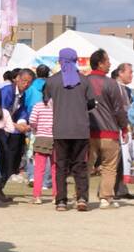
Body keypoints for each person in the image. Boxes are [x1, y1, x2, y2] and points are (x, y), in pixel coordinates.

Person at [43, 48, 95, 211]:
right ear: (76, 60)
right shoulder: (85, 81)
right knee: (80, 164)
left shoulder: (52, 81)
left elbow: (45, 101)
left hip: (60, 129)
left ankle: (61, 201)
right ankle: (81, 199)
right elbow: (92, 103)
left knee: (61, 165)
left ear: (60, 61)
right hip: (80, 129)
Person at [86, 49, 130, 208]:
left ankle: (81, 196)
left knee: (85, 165)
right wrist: (124, 128)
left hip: (88, 131)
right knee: (109, 166)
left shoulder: (83, 81)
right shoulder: (112, 84)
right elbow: (119, 109)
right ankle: (105, 198)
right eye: (107, 61)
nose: (110, 63)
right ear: (100, 63)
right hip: (109, 132)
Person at [28, 94, 56, 202]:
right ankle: (56, 195)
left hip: (41, 138)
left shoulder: (38, 106)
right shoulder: (58, 106)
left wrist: (36, 129)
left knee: (39, 169)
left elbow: (32, 121)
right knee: (55, 168)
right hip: (56, 138)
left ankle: (37, 196)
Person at [111, 63, 133, 198]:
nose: (131, 75)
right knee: (114, 160)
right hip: (114, 126)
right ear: (120, 73)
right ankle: (109, 189)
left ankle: (120, 188)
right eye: (130, 72)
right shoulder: (113, 87)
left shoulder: (128, 90)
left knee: (124, 159)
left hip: (125, 126)